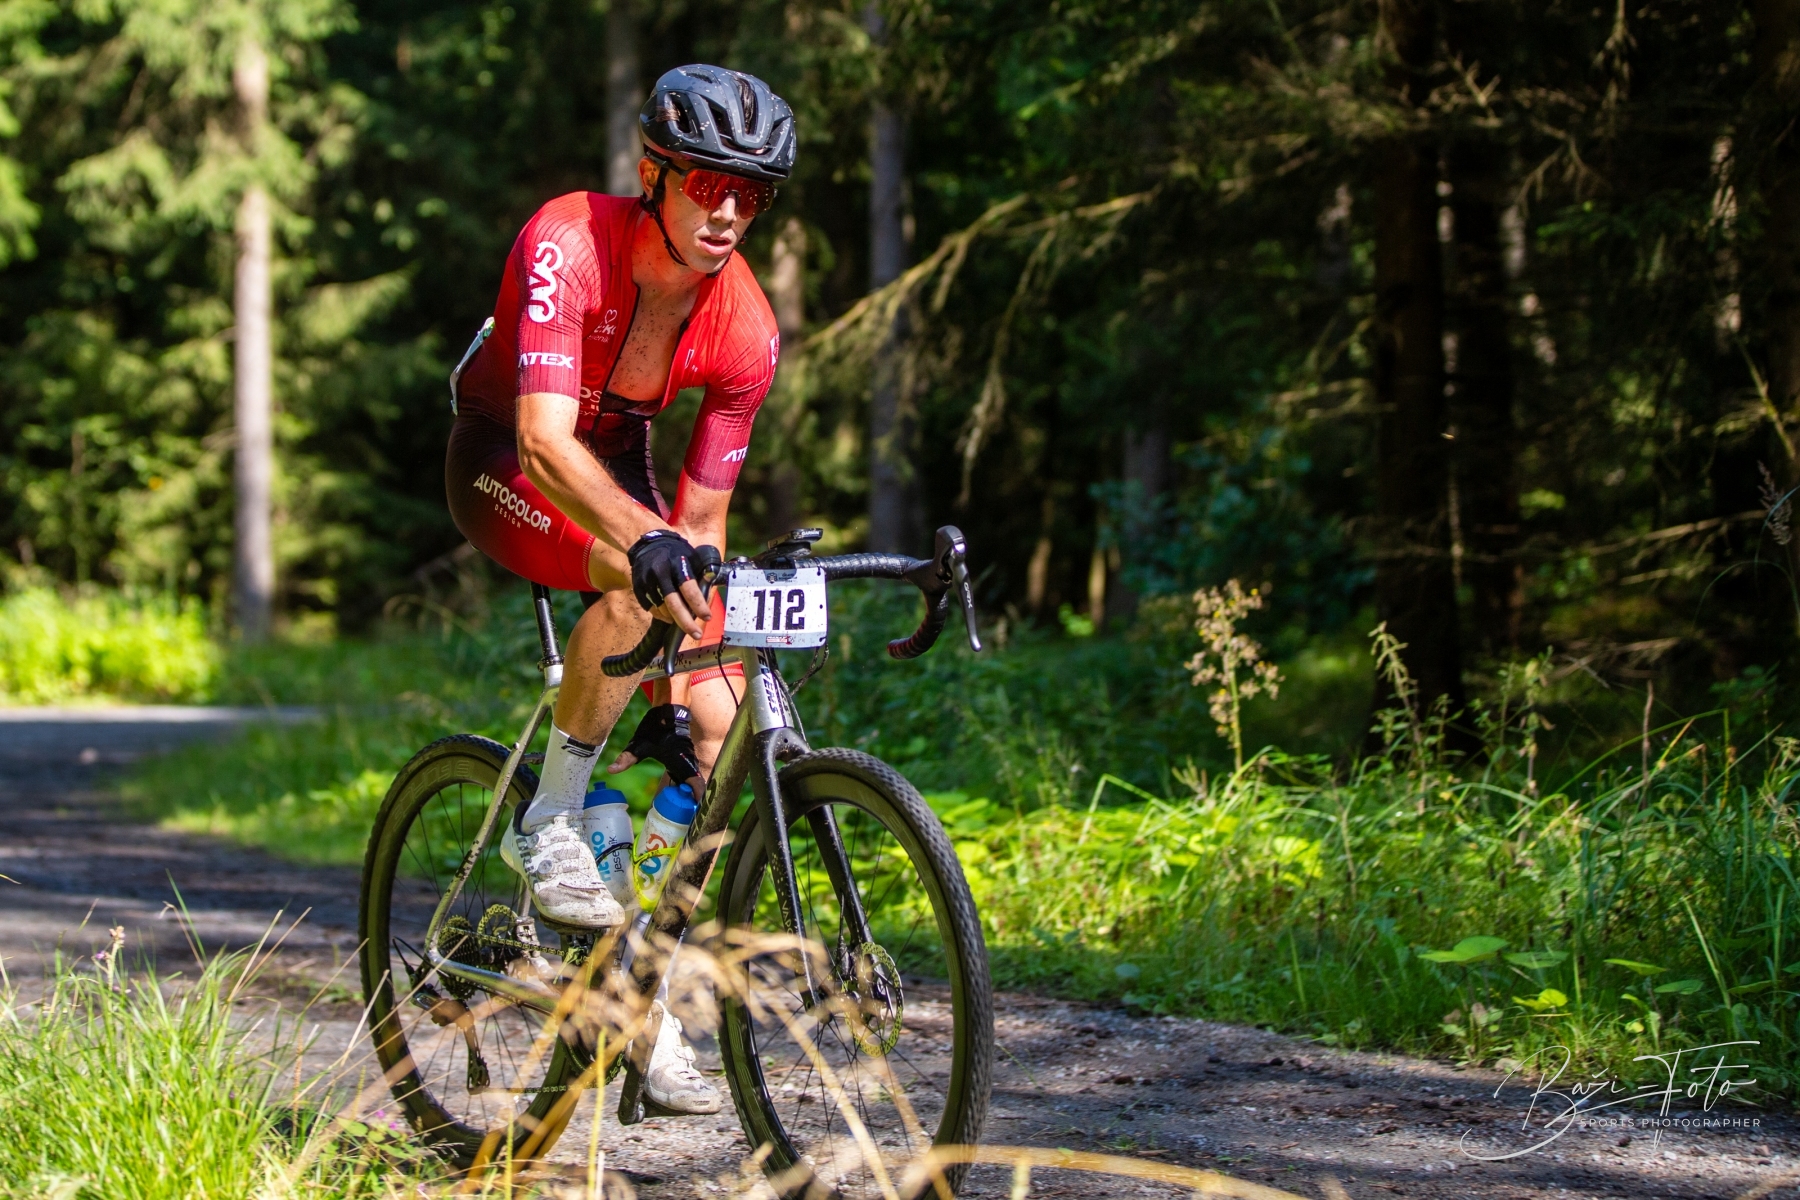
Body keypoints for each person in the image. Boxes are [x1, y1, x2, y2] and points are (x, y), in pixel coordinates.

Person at [443, 64, 794, 1115]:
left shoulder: (746, 328)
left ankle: (642, 991)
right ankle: (549, 816)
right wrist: (649, 544)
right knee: (638, 579)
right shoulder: (570, 239)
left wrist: (695, 677)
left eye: (751, 194)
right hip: (507, 454)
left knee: (722, 725)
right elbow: (545, 444)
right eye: (707, 184)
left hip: (616, 460)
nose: (727, 211)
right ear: (655, 175)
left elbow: (703, 525)